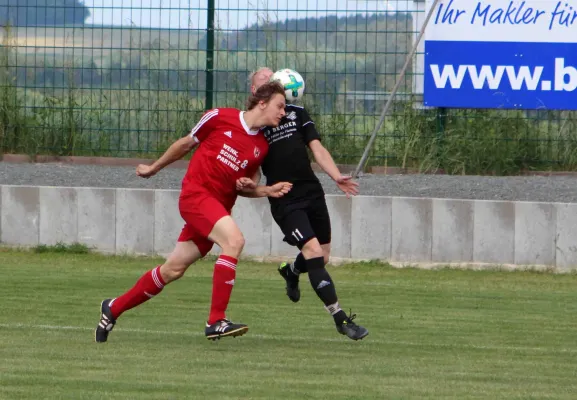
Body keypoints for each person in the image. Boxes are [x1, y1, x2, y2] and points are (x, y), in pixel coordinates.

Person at [95, 81, 292, 343]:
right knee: (234, 241)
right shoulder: (220, 117)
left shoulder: (261, 147)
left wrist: (262, 189)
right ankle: (216, 320)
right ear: (262, 102)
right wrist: (154, 168)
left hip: (216, 211)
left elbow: (245, 187)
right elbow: (186, 144)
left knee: (172, 270)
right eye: (280, 106)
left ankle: (113, 308)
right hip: (196, 197)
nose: (283, 112)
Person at [238, 67, 368, 341]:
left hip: (312, 192)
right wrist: (253, 185)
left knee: (323, 255)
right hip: (285, 200)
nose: (270, 85)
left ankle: (292, 270)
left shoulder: (297, 114)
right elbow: (252, 170)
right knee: (312, 250)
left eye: (273, 81)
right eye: (263, 83)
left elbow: (317, 149)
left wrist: (336, 177)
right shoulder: (252, 130)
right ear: (255, 93)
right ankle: (341, 319)